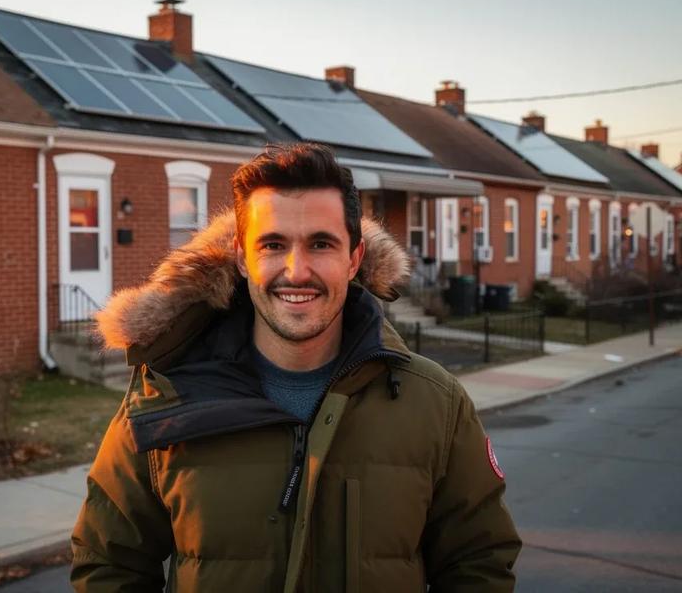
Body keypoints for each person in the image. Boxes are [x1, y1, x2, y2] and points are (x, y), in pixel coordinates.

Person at [71, 143, 521, 592]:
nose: (297, 270)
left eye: (321, 244)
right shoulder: (164, 397)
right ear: (243, 259)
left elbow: (479, 561)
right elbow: (108, 563)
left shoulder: (435, 404)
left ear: (355, 259)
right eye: (273, 244)